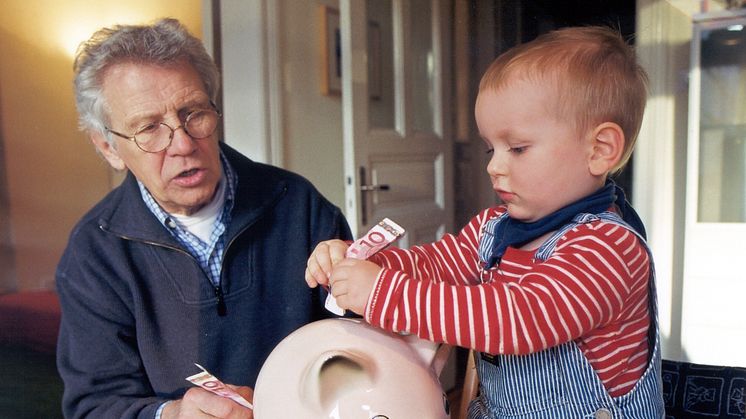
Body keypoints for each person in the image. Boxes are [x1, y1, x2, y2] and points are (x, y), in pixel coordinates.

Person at [306, 26, 665, 418]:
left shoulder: (608, 249)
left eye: (518, 148)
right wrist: (364, 266)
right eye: (491, 148)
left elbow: (518, 318)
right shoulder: (492, 227)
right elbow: (435, 266)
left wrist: (383, 294)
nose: (493, 166)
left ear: (599, 150)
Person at [56, 18, 351, 419]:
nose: (182, 144)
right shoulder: (93, 252)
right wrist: (170, 415)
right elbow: (93, 406)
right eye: (149, 129)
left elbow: (357, 344)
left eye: (194, 113)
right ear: (108, 148)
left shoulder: (299, 205)